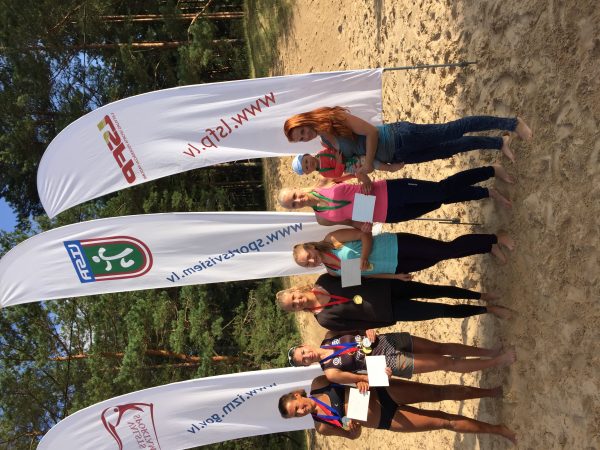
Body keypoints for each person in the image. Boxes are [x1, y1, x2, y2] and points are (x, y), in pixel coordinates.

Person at [283, 106, 532, 174]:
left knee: (453, 129)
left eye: (302, 132)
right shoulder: (326, 144)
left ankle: (511, 124)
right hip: (399, 155)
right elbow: (358, 157)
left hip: (399, 137)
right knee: (452, 148)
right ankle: (498, 143)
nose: (305, 137)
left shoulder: (333, 118)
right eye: (301, 139)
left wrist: (368, 163)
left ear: (304, 122)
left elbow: (371, 132)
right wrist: (377, 166)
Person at [278, 375, 516, 443]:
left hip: (383, 392)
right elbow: (352, 436)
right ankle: (498, 429)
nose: (301, 411)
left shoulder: (319, 383)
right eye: (296, 414)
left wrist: (360, 380)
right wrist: (353, 429)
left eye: (296, 407)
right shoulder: (322, 427)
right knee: (445, 421)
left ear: (298, 396)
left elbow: (347, 375)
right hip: (388, 419)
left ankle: (490, 392)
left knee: (438, 392)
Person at [278, 164, 514, 230]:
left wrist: (364, 179)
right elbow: (352, 222)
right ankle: (486, 192)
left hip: (390, 191)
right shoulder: (322, 219)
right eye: (293, 204)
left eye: (295, 196)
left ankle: (491, 171)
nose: (298, 200)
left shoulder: (324, 181)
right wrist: (363, 226)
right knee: (439, 200)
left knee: (441, 189)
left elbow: (357, 168)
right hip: (389, 215)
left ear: (297, 188)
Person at [287, 329, 516, 391]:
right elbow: (360, 380)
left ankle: (489, 351)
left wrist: (368, 331)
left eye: (303, 352)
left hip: (387, 340)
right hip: (388, 362)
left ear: (304, 345)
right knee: (446, 363)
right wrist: (381, 377)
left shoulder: (329, 337)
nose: (307, 356)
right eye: (304, 360)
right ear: (306, 365)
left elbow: (358, 328)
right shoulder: (330, 373)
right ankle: (498, 361)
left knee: (440, 347)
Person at [275, 273, 512, 331]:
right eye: (293, 306)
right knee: (440, 310)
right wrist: (386, 322)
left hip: (389, 287)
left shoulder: (324, 279)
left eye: (293, 298)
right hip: (390, 311)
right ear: (296, 311)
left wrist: (393, 276)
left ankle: (479, 296)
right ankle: (487, 309)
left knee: (436, 290)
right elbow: (359, 327)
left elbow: (361, 273)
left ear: (295, 290)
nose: (298, 302)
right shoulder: (324, 320)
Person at [292, 227, 516, 278]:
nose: (311, 260)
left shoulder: (332, 239)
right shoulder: (333, 272)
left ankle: (496, 238)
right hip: (396, 267)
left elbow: (364, 235)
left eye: (308, 256)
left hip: (396, 245)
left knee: (447, 250)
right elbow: (368, 275)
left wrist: (364, 256)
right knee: (441, 257)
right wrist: (395, 277)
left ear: (310, 246)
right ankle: (487, 247)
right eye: (307, 263)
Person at [291, 146, 404, 184]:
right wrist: (339, 162)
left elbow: (331, 149)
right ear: (308, 172)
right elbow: (337, 174)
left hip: (348, 155)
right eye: (307, 168)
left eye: (306, 161)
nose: (309, 164)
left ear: (307, 155)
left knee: (367, 151)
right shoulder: (323, 172)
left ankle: (388, 155)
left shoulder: (321, 153)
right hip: (349, 165)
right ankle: (389, 168)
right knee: (369, 162)